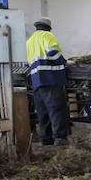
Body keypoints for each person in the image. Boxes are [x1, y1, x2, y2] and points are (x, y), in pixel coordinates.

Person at [26, 17, 71, 146]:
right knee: (56, 110)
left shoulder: (30, 41)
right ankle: (60, 138)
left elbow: (26, 63)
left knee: (42, 112)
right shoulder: (47, 36)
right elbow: (53, 53)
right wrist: (65, 62)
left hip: (36, 82)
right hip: (51, 79)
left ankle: (45, 139)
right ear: (48, 27)